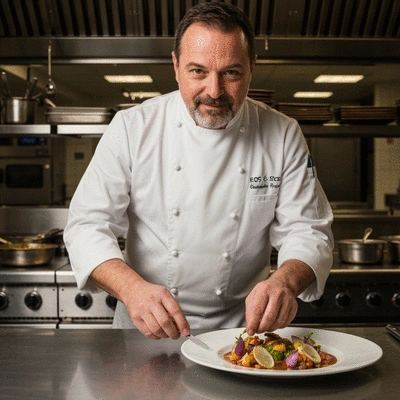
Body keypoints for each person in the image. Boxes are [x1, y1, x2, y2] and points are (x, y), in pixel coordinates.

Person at [64, 2, 333, 340]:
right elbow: (87, 225)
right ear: (176, 66)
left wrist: (284, 282)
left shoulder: (282, 134)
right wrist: (131, 289)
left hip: (240, 334)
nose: (214, 91)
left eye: (231, 73)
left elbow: (308, 231)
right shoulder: (133, 127)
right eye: (198, 72)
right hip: (145, 331)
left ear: (252, 67)